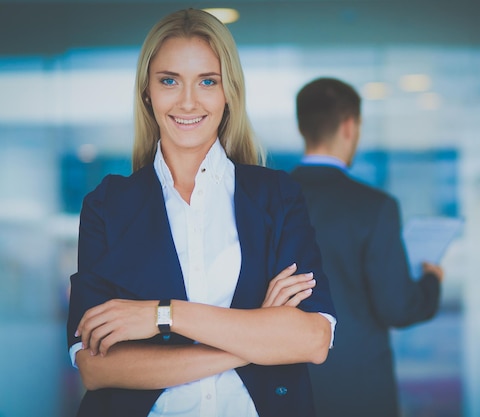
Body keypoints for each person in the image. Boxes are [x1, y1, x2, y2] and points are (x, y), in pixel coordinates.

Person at [66, 9, 336, 417]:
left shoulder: (277, 196)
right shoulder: (107, 206)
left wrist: (161, 316)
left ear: (228, 92)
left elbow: (312, 340)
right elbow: (96, 367)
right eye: (169, 81)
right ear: (147, 92)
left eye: (207, 81)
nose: (188, 101)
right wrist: (257, 335)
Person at [290, 77, 444, 417]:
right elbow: (397, 307)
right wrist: (432, 282)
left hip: (287, 383)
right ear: (349, 126)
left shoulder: (269, 201)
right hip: (359, 390)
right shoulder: (375, 207)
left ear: (303, 126)